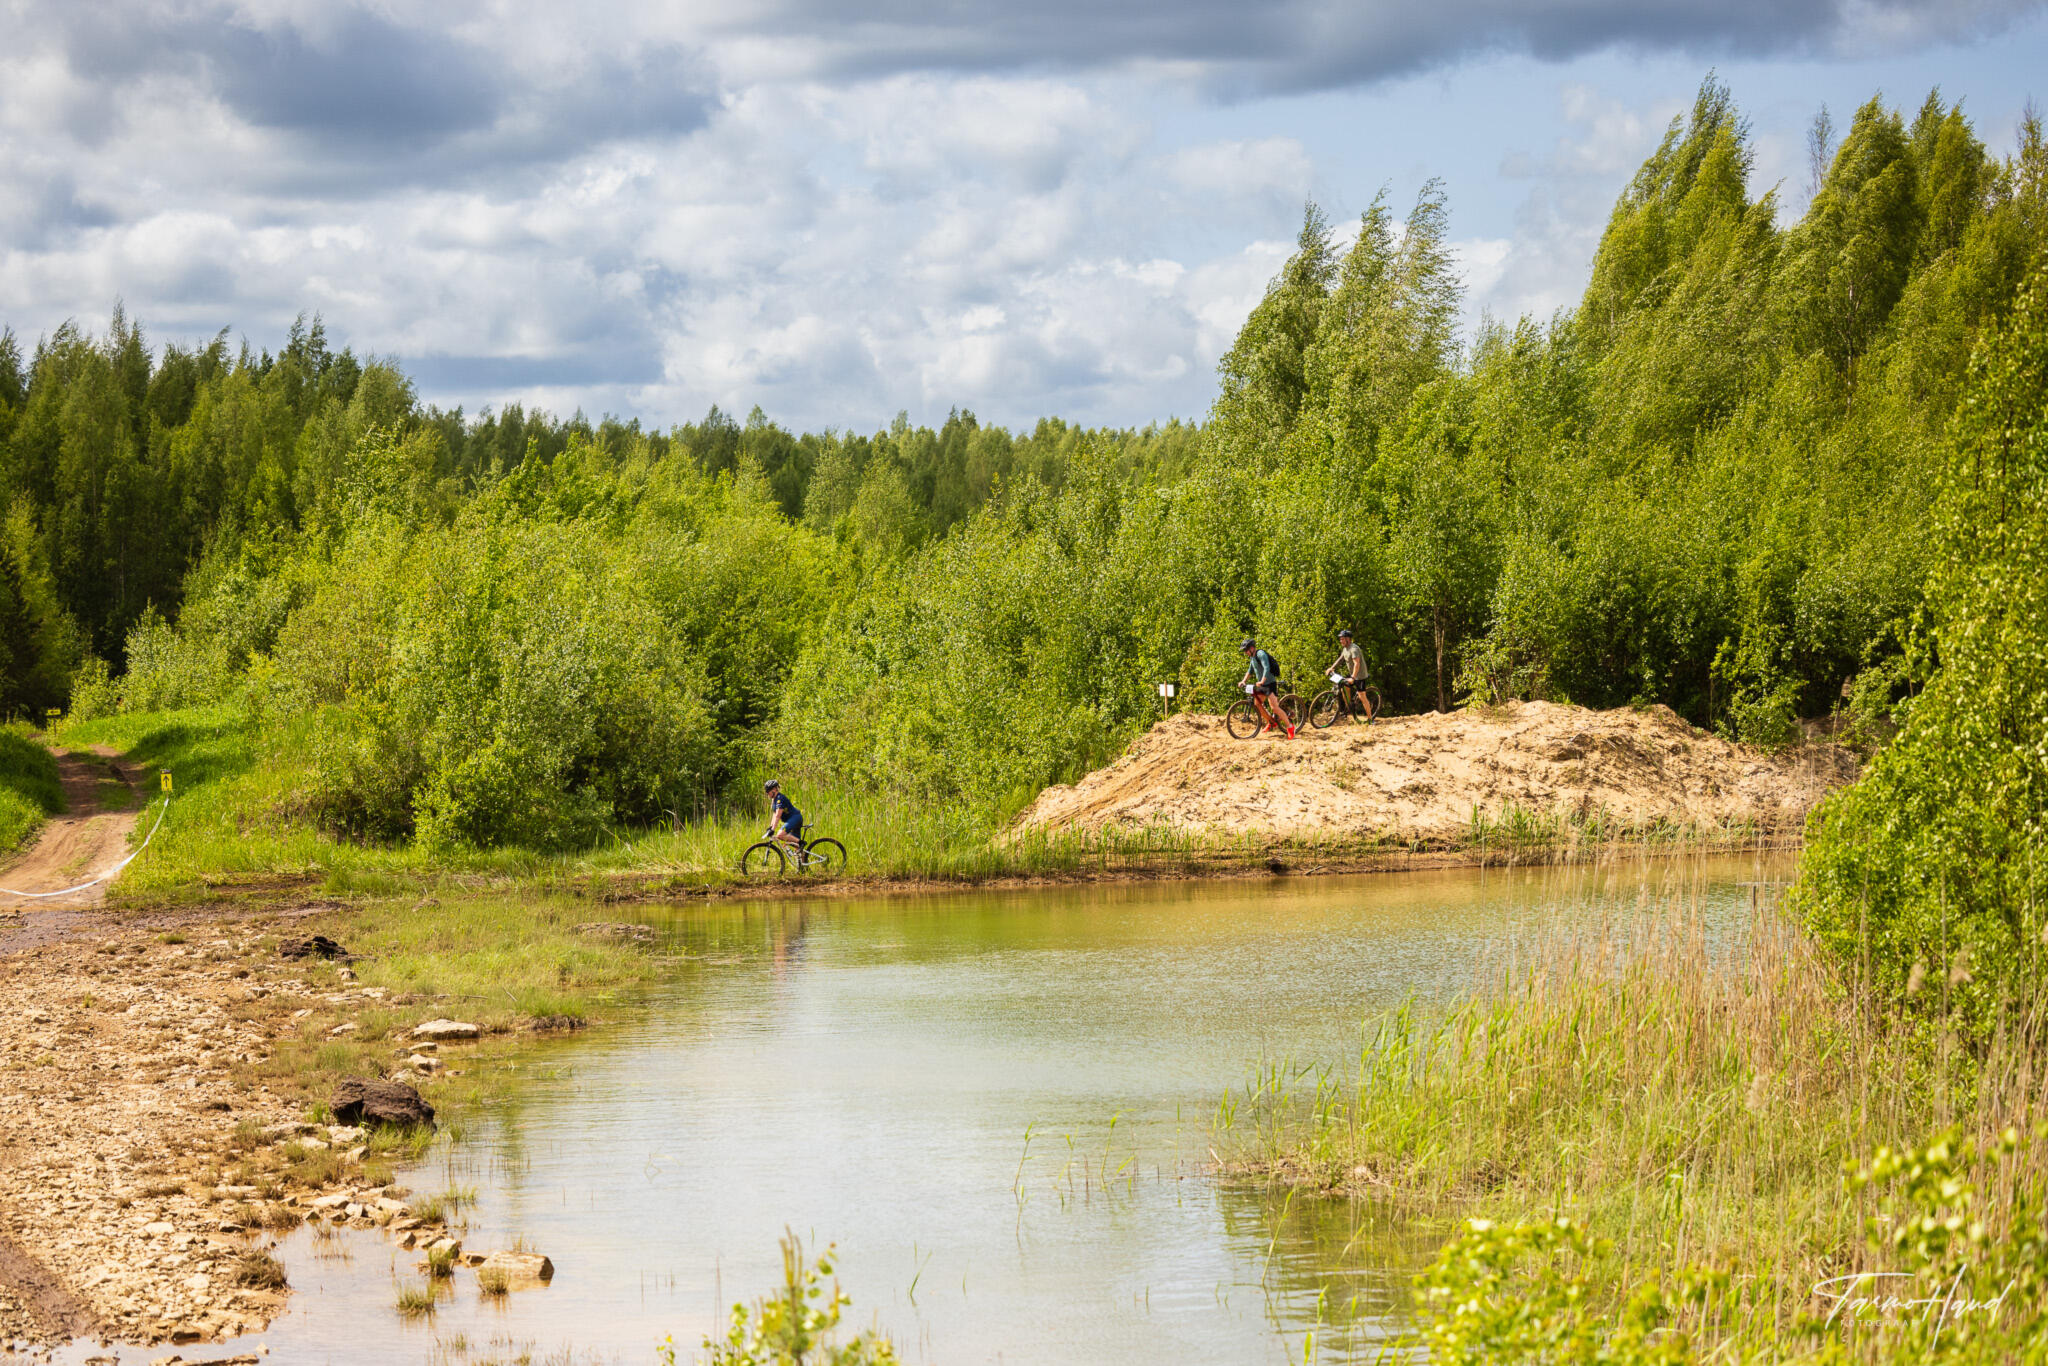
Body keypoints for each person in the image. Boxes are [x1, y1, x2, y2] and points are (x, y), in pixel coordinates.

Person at [1238, 637, 1295, 738]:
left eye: (1246, 650)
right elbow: (1250, 671)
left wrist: (1262, 681)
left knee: (1274, 708)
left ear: (1252, 648)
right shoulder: (1252, 657)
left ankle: (1290, 727)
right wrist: (1243, 681)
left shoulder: (1260, 654)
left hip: (1269, 684)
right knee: (1257, 704)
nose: (1245, 652)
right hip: (1262, 685)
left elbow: (1266, 667)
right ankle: (1271, 722)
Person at [1326, 628, 1368, 716]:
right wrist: (1331, 668)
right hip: (1353, 673)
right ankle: (1349, 707)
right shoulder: (1345, 648)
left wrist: (1353, 677)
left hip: (1360, 675)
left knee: (1362, 697)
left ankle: (1370, 719)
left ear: (1348, 639)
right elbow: (1340, 659)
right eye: (1340, 639)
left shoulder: (1354, 649)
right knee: (1343, 688)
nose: (1340, 641)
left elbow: (1357, 664)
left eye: (1342, 639)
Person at [763, 778, 803, 851]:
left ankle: (801, 843)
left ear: (774, 789)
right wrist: (771, 827)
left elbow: (778, 815)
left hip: (795, 818)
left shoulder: (780, 799)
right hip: (792, 820)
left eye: (768, 791)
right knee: (797, 849)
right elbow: (774, 814)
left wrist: (773, 829)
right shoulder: (774, 800)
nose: (767, 793)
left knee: (780, 835)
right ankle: (802, 856)